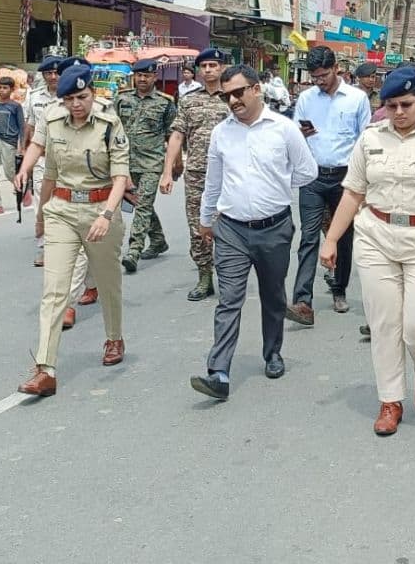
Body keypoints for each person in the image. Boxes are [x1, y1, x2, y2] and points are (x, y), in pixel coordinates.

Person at [320, 67, 415, 436]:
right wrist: (332, 239)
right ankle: (390, 400)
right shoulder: (371, 138)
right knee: (385, 323)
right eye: (391, 106)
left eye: (406, 104)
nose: (399, 112)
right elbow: (353, 192)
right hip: (376, 237)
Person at [189, 65, 316, 401]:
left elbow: (307, 171)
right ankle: (218, 371)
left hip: (274, 228)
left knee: (273, 295)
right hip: (230, 229)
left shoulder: (284, 130)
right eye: (226, 95)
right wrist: (205, 220)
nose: (232, 100)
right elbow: (212, 181)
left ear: (256, 89)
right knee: (229, 299)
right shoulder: (221, 133)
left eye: (238, 92)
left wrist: (277, 188)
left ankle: (272, 353)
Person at [14, 64, 132, 397]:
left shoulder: (110, 124)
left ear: (93, 94)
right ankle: (45, 369)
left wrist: (107, 215)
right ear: (62, 100)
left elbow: (121, 176)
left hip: (100, 208)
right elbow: (50, 171)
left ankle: (113, 337)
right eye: (71, 99)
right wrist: (39, 210)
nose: (77, 104)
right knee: (54, 291)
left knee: (108, 283)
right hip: (62, 211)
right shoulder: (53, 123)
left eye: (83, 97)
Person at [287, 46, 371, 323]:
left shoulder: (357, 99)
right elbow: (295, 136)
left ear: (336, 67)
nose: (319, 80)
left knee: (344, 238)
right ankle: (302, 301)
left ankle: (339, 290)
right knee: (308, 237)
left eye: (323, 74)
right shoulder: (306, 98)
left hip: (346, 178)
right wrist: (300, 133)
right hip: (312, 177)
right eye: (315, 76)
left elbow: (365, 141)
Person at [162, 48, 229, 301]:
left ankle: (229, 276)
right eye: (205, 66)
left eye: (214, 65)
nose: (209, 69)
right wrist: (167, 171)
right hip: (197, 173)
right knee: (196, 226)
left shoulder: (233, 97)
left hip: (229, 174)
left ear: (222, 68)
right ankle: (204, 276)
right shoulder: (189, 100)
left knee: (228, 225)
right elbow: (177, 135)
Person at [114, 58, 177, 273]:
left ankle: (134, 250)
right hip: (124, 163)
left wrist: (172, 167)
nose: (142, 79)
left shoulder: (165, 103)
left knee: (142, 205)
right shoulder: (121, 99)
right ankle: (158, 240)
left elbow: (172, 135)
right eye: (139, 75)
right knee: (143, 204)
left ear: (154, 77)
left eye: (147, 75)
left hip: (151, 163)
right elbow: (112, 130)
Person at [23, 56, 62, 268]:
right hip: (42, 159)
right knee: (41, 202)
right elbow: (29, 124)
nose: (53, 77)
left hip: (66, 159)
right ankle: (45, 246)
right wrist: (24, 154)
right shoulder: (34, 96)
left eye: (56, 72)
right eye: (48, 73)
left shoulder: (70, 95)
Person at [0, 76, 25, 215]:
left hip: (9, 143)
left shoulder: (15, 106)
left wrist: (22, 146)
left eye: (5, 88)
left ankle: (23, 188)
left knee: (9, 173)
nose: (2, 90)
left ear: (12, 89)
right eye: (0, 87)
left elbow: (22, 127)